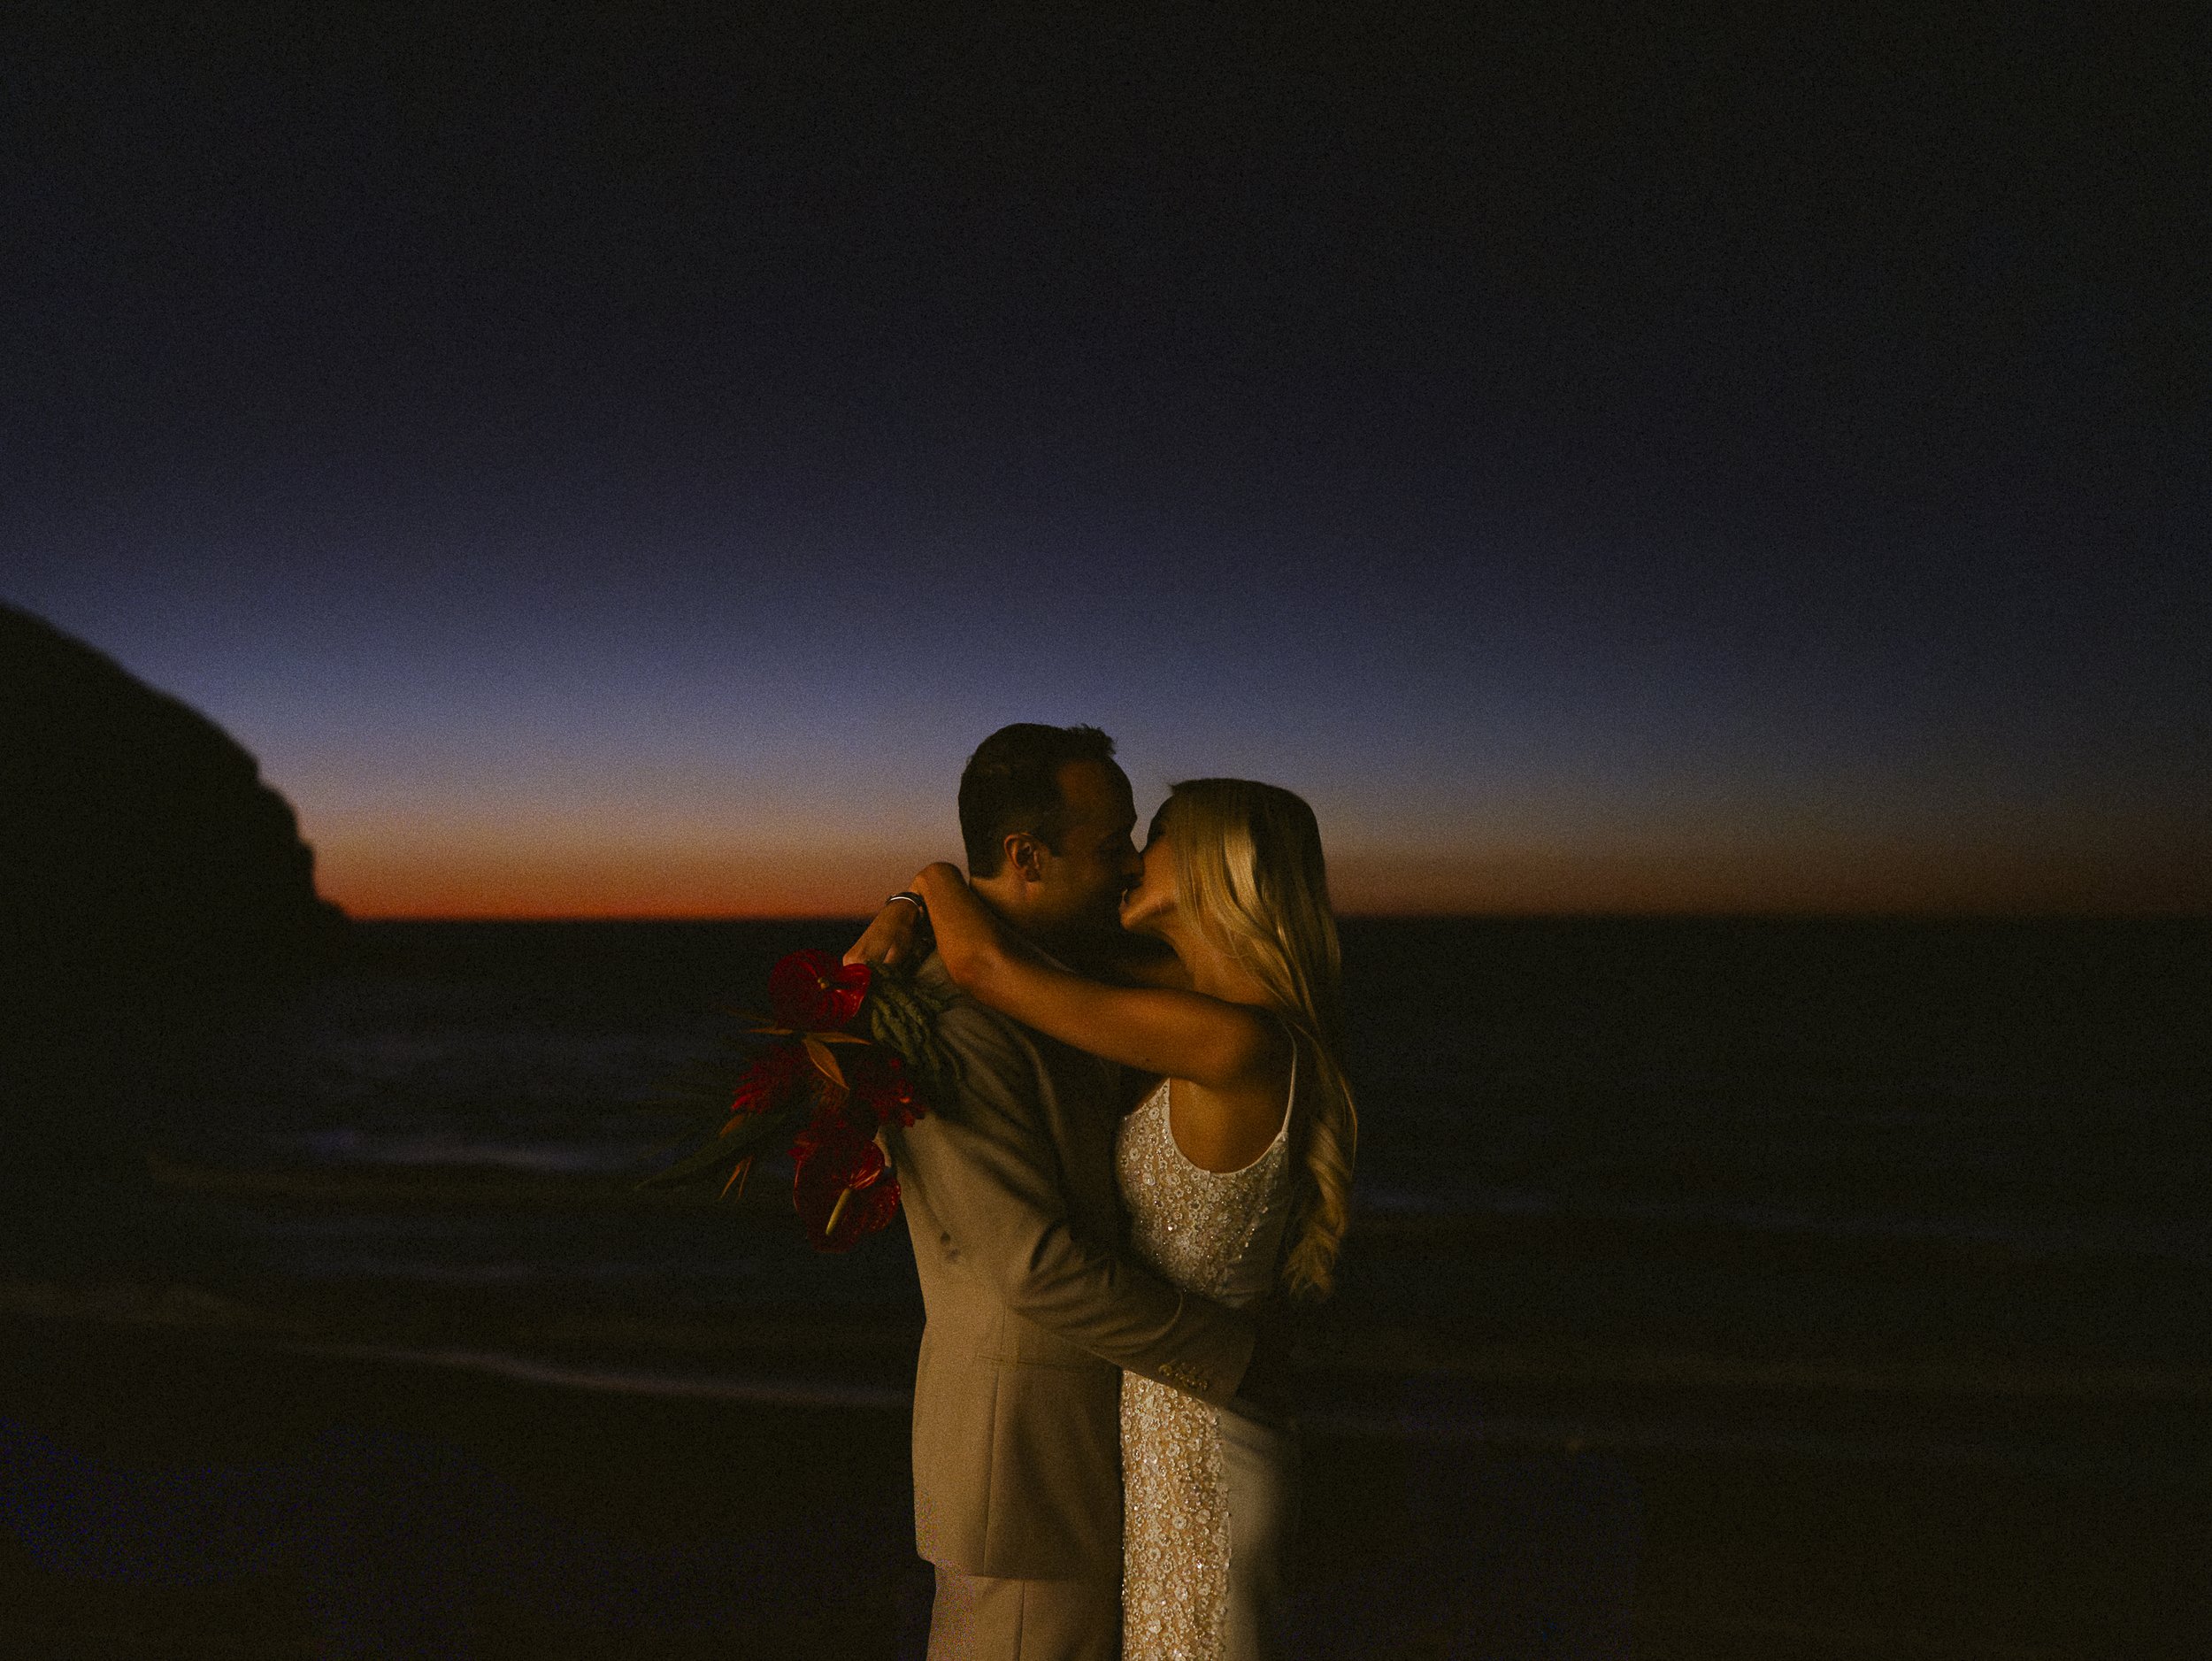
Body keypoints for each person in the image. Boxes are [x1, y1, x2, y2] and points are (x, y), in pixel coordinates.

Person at [855, 759, 1357, 1661]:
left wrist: (929, 881)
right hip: (1131, 1433)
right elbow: (1014, 961)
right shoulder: (1171, 995)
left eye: (1150, 838)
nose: (1130, 860)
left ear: (1214, 868)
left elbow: (991, 964)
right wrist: (910, 912)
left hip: (1202, 1425)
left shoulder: (1229, 1034)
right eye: (1119, 840)